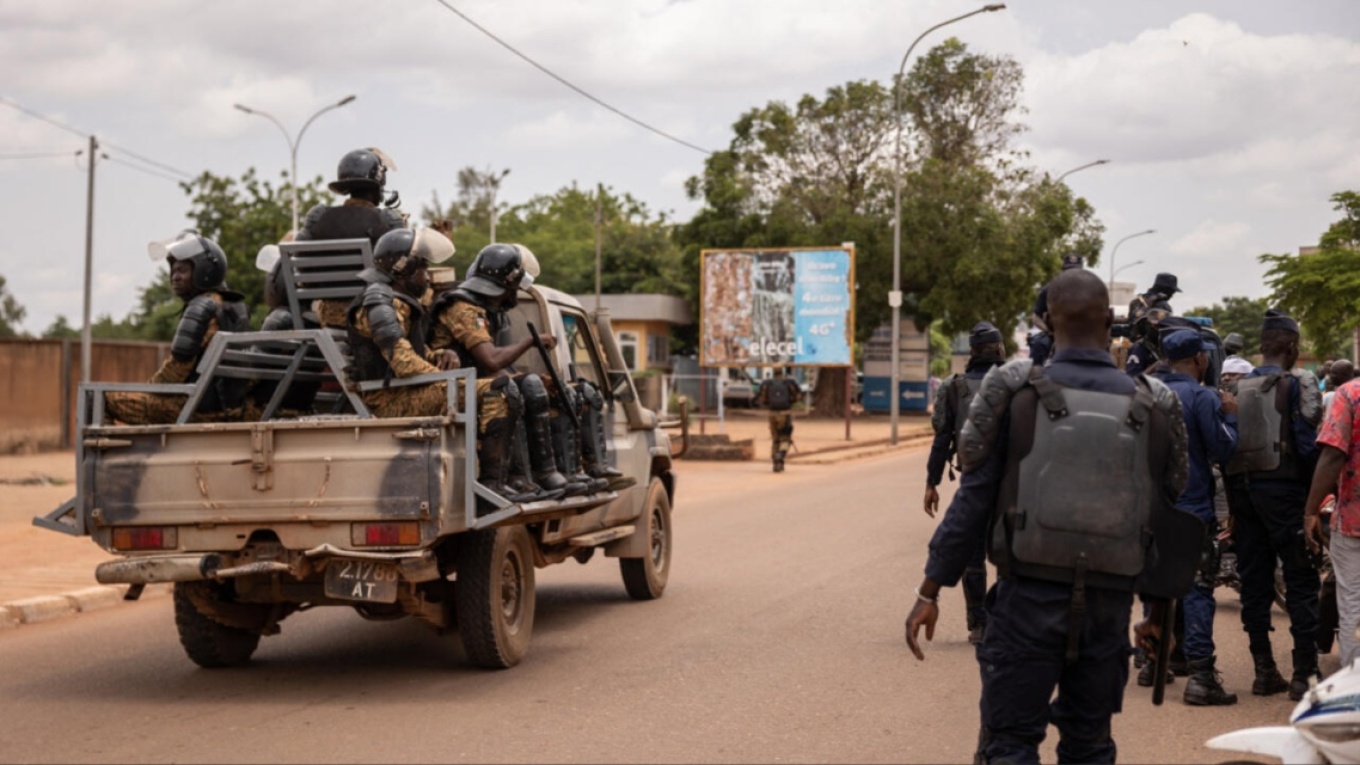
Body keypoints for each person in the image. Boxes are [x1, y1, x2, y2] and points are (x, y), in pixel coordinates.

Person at [905, 269, 1196, 764]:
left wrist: (929, 591)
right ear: (1111, 320)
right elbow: (1165, 512)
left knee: (1009, 743)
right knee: (1089, 745)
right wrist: (1157, 612)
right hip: (1108, 610)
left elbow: (972, 502)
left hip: (1024, 603)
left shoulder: (1012, 392)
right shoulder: (1154, 403)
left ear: (1045, 322)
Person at [428, 242, 580, 500]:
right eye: (512, 289)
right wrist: (530, 341)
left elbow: (495, 367)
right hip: (450, 388)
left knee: (537, 386)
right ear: (503, 287)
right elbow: (491, 360)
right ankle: (509, 480)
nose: (514, 297)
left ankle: (542, 474)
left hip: (472, 382)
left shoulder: (488, 309)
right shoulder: (464, 308)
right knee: (515, 389)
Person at [1222, 309, 1322, 700]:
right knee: (1300, 579)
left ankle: (1264, 670)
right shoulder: (1299, 383)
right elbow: (1308, 446)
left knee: (1255, 583)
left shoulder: (1236, 387)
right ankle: (1304, 675)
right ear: (1293, 347)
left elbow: (1226, 448)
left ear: (1264, 347)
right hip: (1285, 494)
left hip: (1242, 496)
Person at [1156, 329, 1241, 705]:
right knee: (1197, 588)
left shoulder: (1145, 393)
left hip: (1152, 509)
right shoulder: (1203, 397)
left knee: (1157, 582)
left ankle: (1152, 662)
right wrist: (1232, 417)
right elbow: (1223, 448)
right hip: (1192, 508)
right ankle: (1202, 676)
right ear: (1200, 359)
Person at [105, 232, 251, 425]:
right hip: (230, 407)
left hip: (196, 408)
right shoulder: (235, 306)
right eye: (173, 271)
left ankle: (107, 455)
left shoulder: (202, 306)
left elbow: (176, 371)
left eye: (182, 270)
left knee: (101, 399)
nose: (175, 277)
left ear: (204, 270)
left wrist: (147, 392)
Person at [924, 320, 1006, 644]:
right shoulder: (1018, 385)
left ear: (971, 353)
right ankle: (1002, 618)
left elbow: (941, 438)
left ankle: (978, 621)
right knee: (1009, 555)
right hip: (1013, 486)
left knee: (972, 556)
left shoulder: (954, 387)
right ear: (1000, 350)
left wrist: (931, 483)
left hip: (972, 481)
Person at [345, 227, 459, 419]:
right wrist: (448, 379)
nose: (428, 277)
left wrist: (440, 355)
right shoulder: (379, 302)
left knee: (502, 388)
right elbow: (405, 364)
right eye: (424, 268)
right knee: (497, 392)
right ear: (405, 268)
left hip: (405, 392)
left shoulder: (397, 303)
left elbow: (413, 353)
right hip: (390, 399)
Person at [297, 148, 406, 328]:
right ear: (377, 184)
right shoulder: (388, 219)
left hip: (326, 315)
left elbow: (300, 259)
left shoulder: (317, 217)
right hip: (369, 315)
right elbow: (401, 271)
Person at [1306, 372, 1360, 669]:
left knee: (1353, 603)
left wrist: (1311, 510)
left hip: (1353, 521)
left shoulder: (1350, 394)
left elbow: (1332, 456)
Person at [1029, 253, 1083, 367]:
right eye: (1069, 271)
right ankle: (1035, 379)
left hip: (1082, 336)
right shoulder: (1049, 289)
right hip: (1053, 335)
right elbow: (1036, 316)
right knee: (1038, 344)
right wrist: (1049, 331)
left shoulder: (1090, 290)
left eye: (1075, 271)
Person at [1124, 273, 1180, 377]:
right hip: (1153, 350)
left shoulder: (1136, 302)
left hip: (1133, 346)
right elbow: (1166, 329)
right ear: (1166, 290)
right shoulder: (1162, 305)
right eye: (1172, 291)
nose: (1172, 295)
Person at [755, 367, 801, 472]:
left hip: (772, 413)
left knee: (775, 438)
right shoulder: (789, 383)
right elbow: (797, 397)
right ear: (783, 371)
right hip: (785, 413)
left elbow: (761, 399)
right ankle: (780, 456)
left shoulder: (767, 383)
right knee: (785, 438)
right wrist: (790, 403)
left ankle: (775, 462)